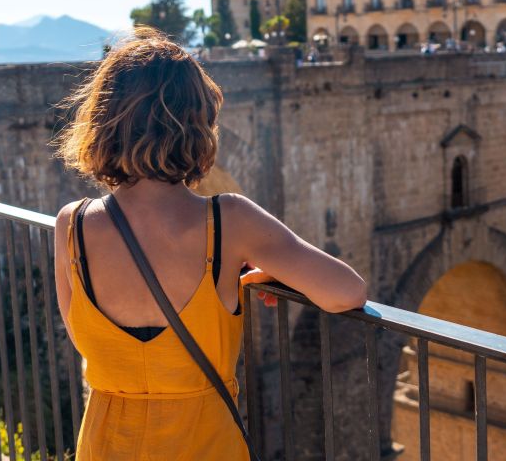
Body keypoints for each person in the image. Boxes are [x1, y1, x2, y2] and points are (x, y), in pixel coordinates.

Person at [52, 28, 367, 460]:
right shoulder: (229, 221)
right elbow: (347, 292)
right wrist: (274, 271)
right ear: (198, 123)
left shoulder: (71, 225)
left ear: (103, 122)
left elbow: (84, 337)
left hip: (108, 444)